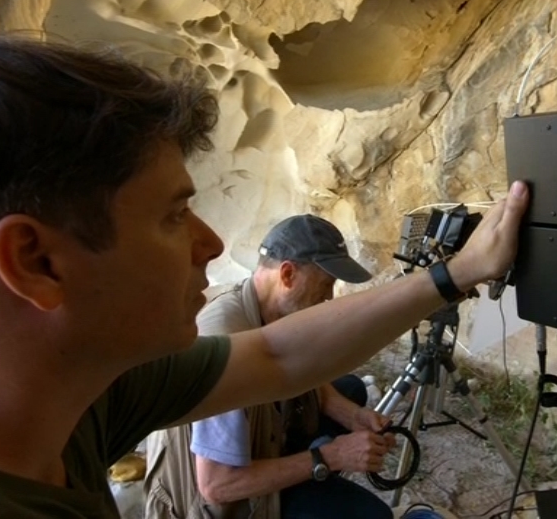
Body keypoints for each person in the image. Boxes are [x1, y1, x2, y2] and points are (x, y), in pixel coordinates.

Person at [0, 22, 557, 519]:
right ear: (36, 263)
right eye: (172, 216)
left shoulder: (53, 384)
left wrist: (456, 273)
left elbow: (277, 358)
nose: (209, 243)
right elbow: (221, 477)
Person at [143, 214, 395, 519]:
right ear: (287, 275)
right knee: (373, 516)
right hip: (219, 504)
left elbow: (301, 371)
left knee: (350, 390)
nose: (329, 297)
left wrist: (353, 416)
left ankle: (305, 475)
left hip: (260, 445)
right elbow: (218, 486)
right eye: (325, 284)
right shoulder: (228, 346)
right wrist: (332, 456)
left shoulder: (268, 307)